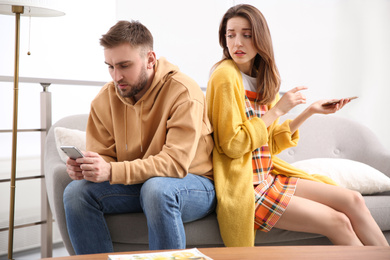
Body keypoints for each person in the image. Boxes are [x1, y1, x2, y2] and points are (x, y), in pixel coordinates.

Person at [206, 4, 389, 247]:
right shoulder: (224, 75)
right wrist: (278, 109)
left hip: (269, 176)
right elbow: (232, 145)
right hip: (247, 187)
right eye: (231, 35)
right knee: (338, 222)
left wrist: (309, 111)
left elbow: (268, 144)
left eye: (246, 35)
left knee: (353, 200)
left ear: (260, 37)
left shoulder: (262, 78)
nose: (237, 42)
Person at [63, 20, 216, 254]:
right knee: (76, 193)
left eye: (124, 65)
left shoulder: (183, 91)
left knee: (157, 190)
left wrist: (112, 171)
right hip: (139, 184)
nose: (117, 76)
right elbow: (104, 157)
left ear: (150, 59)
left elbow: (175, 164)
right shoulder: (104, 99)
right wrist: (89, 168)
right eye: (110, 67)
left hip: (193, 184)